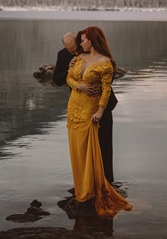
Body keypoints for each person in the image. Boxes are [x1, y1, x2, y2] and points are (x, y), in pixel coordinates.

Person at [64, 26, 131, 217]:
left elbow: (106, 90)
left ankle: (91, 191)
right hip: (73, 109)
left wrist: (100, 111)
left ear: (92, 40)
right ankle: (81, 190)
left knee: (90, 151)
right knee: (77, 151)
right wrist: (81, 86)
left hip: (89, 111)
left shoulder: (105, 63)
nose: (80, 44)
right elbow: (69, 78)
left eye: (83, 40)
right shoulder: (78, 58)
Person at [52, 32, 118, 183]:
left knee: (105, 146)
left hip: (102, 106)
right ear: (65, 48)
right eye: (71, 51)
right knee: (82, 150)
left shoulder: (91, 49)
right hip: (80, 108)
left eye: (76, 48)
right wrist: (69, 71)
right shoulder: (63, 55)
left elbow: (109, 71)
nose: (76, 52)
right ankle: (87, 183)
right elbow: (56, 79)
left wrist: (101, 85)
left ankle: (108, 183)